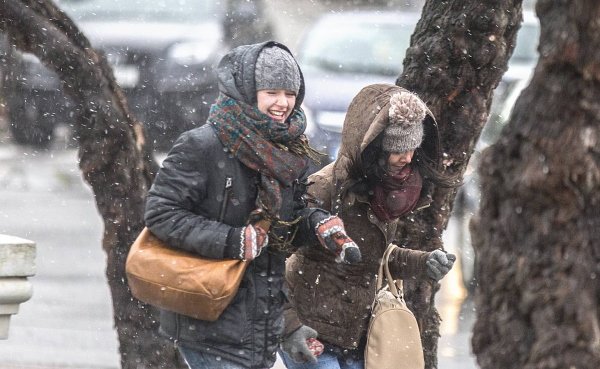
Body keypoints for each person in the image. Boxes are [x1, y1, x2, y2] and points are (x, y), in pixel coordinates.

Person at [144, 41, 360, 369]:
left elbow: (280, 235)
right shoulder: (202, 146)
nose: (282, 103)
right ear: (247, 90)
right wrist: (233, 240)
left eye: (290, 94)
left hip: (259, 324)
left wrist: (318, 224)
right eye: (272, 92)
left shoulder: (288, 152)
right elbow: (161, 214)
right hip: (208, 318)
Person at [279, 84, 457, 369]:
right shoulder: (324, 189)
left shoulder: (386, 190)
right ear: (374, 149)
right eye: (398, 149)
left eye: (412, 148)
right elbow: (270, 264)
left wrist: (424, 263)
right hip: (312, 336)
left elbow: (376, 256)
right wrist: (289, 329)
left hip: (357, 337)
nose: (407, 157)